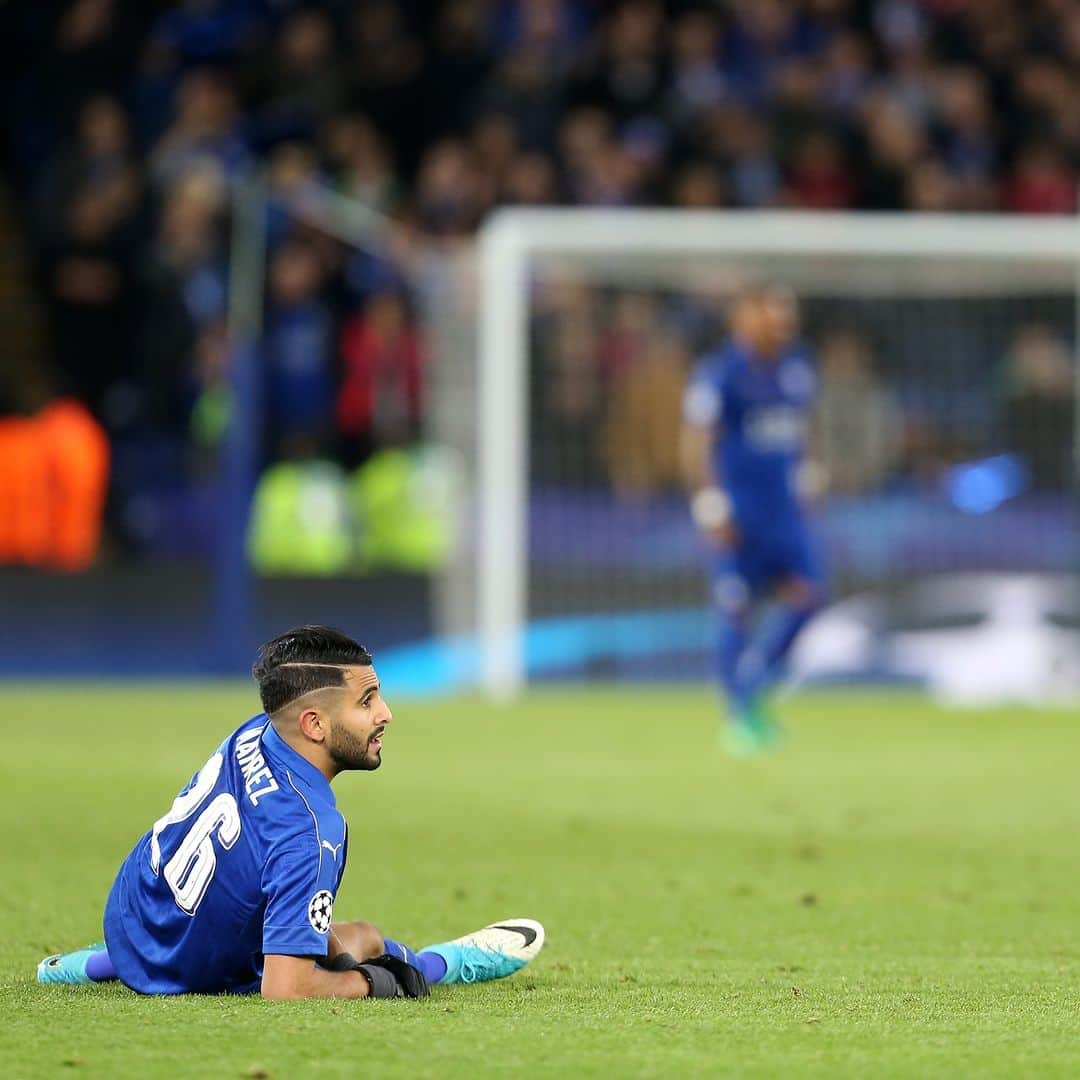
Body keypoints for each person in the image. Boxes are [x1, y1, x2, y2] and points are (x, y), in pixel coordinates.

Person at [38, 626, 544, 997]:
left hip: (134, 913)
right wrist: (374, 984)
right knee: (364, 940)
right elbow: (286, 988)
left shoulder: (253, 731)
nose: (386, 713)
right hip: (185, 966)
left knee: (334, 932)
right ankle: (443, 963)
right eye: (367, 701)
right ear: (315, 724)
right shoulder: (311, 831)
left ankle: (90, 966)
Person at [679, 287, 825, 754]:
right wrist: (710, 504)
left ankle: (753, 686)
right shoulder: (721, 373)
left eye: (788, 314)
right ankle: (739, 718)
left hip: (784, 512)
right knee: (735, 609)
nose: (784, 323)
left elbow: (805, 428)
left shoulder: (797, 368)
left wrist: (808, 474)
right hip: (740, 514)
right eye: (773, 314)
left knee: (807, 598)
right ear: (745, 320)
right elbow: (696, 441)